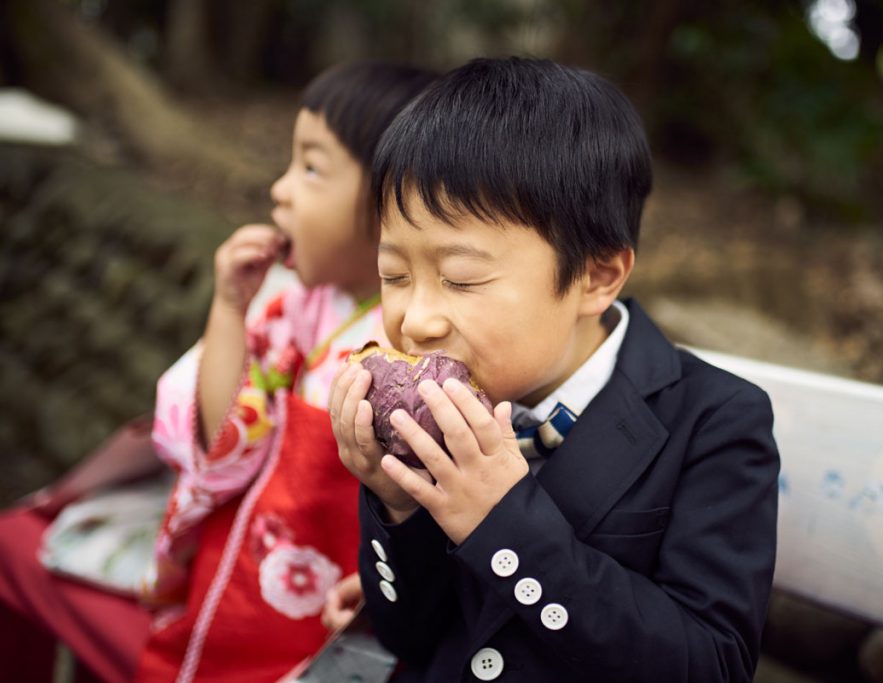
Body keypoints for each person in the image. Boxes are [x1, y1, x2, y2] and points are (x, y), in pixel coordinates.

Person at [330, 57, 780, 682]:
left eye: (460, 278)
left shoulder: (713, 422)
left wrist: (503, 522)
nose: (417, 319)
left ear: (595, 276)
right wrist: (397, 506)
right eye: (395, 276)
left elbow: (711, 665)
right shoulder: (434, 422)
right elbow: (410, 635)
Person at [0, 61, 435, 683]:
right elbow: (223, 437)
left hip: (309, 626)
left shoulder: (411, 353)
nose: (280, 190)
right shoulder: (302, 304)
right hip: (230, 584)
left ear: (395, 200)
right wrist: (231, 308)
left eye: (311, 168)